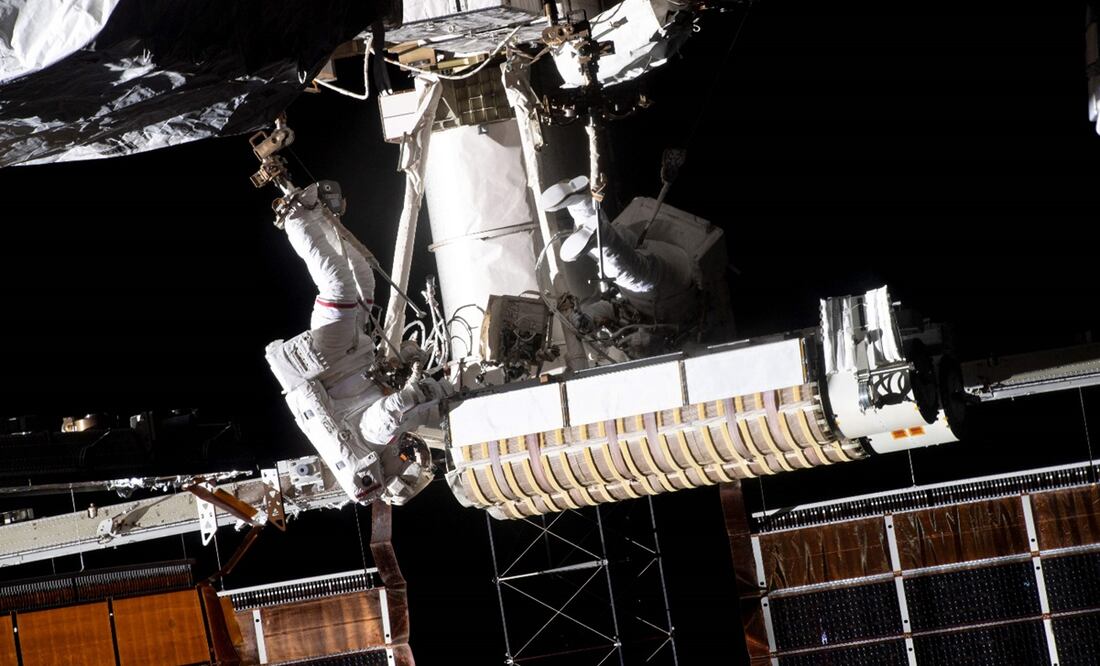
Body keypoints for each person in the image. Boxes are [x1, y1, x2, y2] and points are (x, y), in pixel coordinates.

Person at [265, 180, 452, 505]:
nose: (409, 453)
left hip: (332, 362)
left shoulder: (376, 442)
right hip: (356, 353)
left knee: (338, 287)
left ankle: (295, 217)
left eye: (408, 461)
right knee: (363, 277)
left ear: (396, 470)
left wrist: (421, 392)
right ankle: (320, 216)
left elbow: (385, 412)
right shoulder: (386, 441)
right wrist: (415, 363)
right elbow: (389, 387)